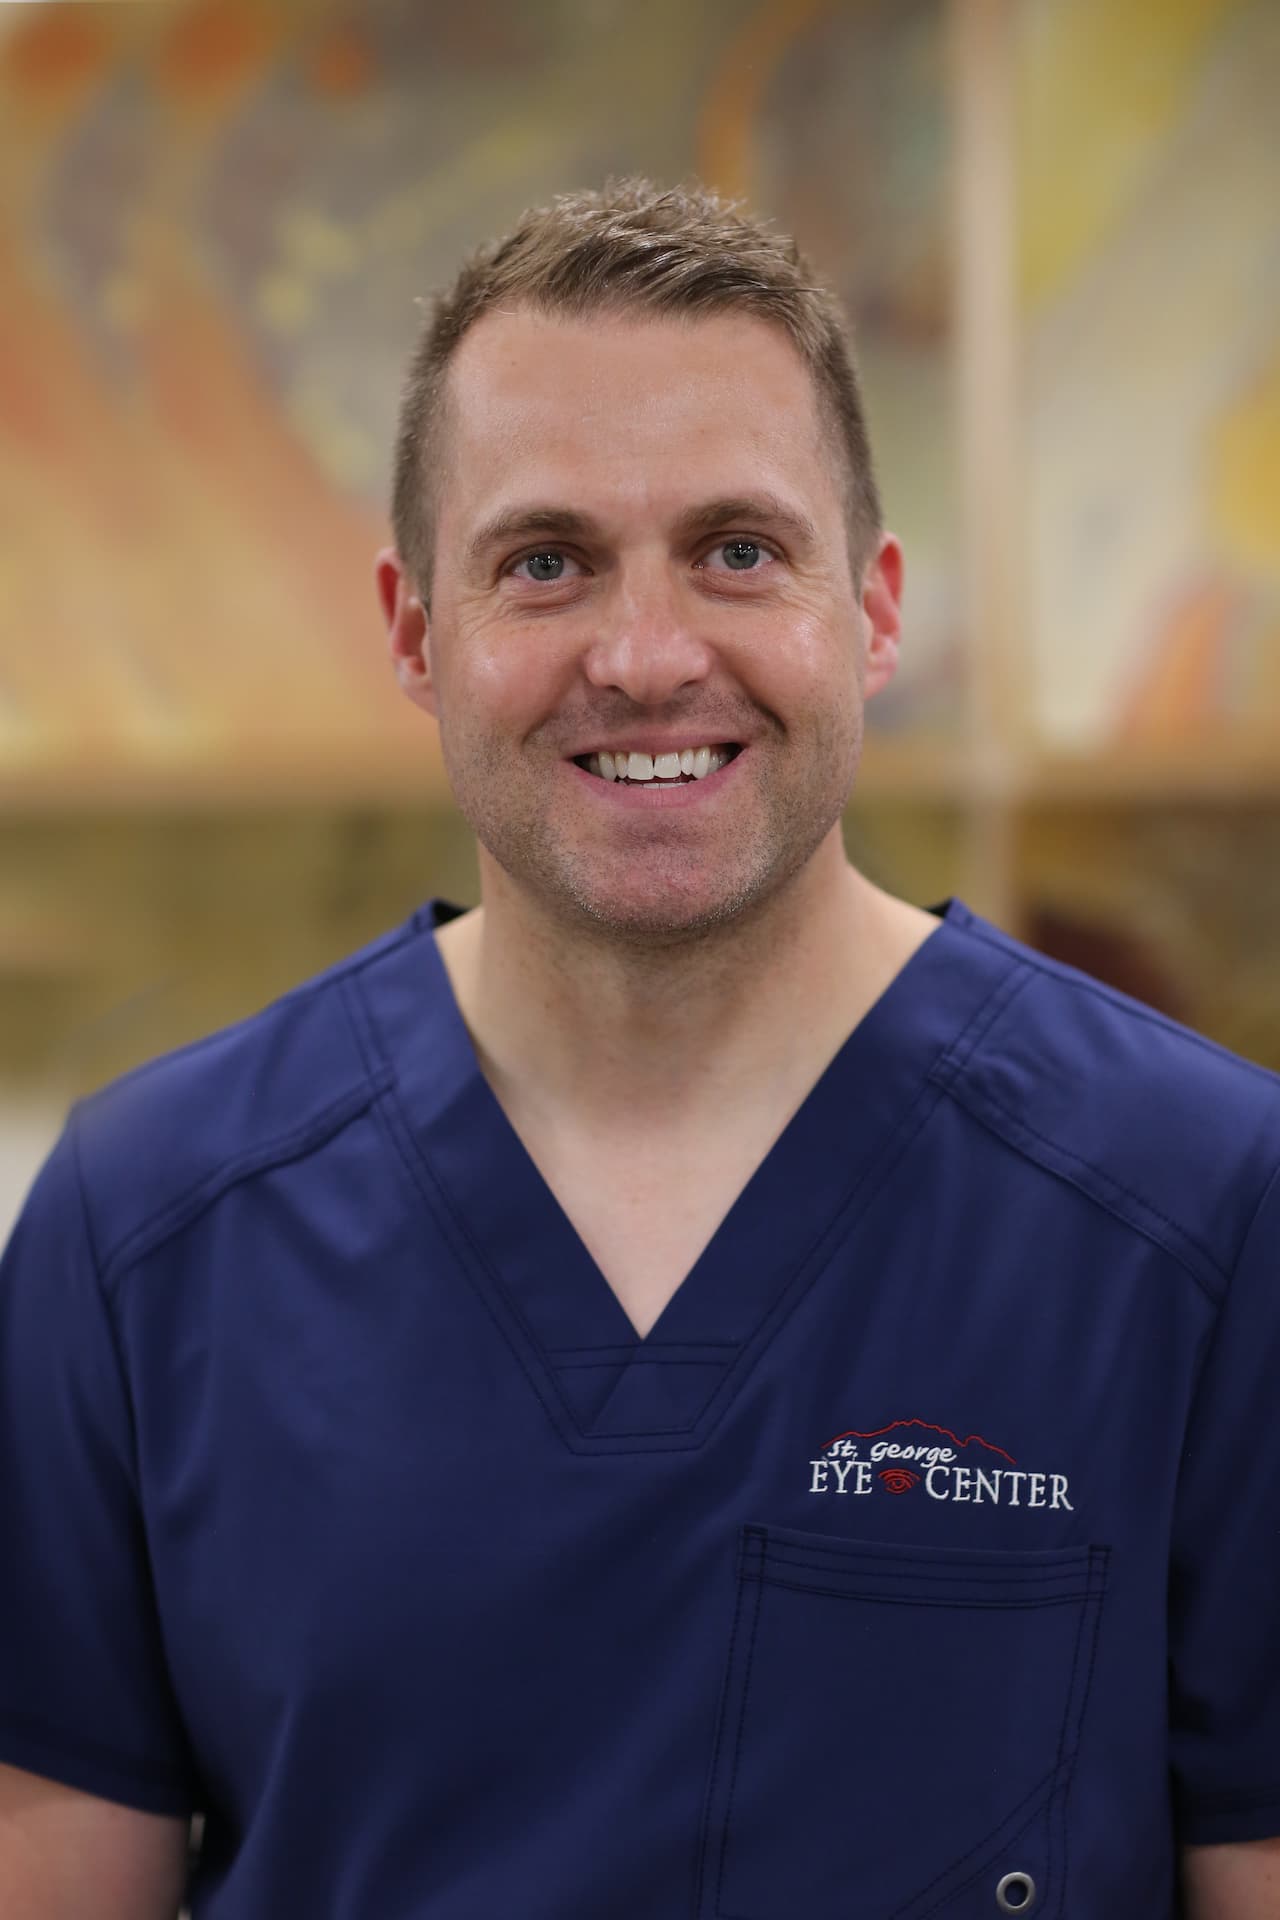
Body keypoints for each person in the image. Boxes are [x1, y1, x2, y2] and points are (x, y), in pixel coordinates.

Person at [1, 178, 1278, 1920]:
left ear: (875, 612)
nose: (648, 657)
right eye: (547, 563)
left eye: (738, 551)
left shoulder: (1205, 1210)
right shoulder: (141, 1232)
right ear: (415, 633)